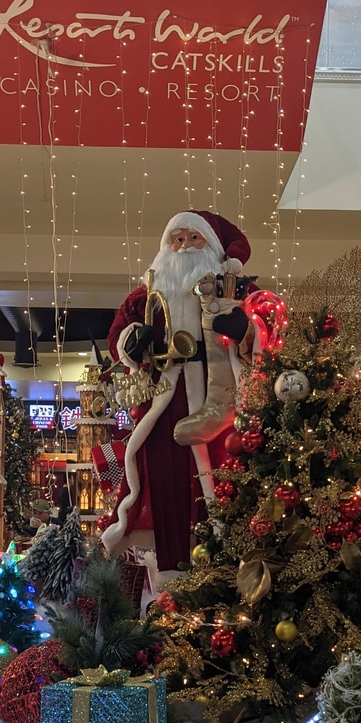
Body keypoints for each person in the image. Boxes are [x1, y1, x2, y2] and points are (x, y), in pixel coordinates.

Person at [101, 210, 255, 574]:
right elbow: (117, 336)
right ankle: (172, 571)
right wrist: (131, 343)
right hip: (165, 398)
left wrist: (246, 328)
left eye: (193, 239)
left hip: (223, 400)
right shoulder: (145, 296)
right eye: (178, 239)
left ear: (213, 247)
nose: (184, 247)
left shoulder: (236, 289)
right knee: (164, 478)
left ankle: (231, 568)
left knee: (225, 476)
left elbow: (269, 325)